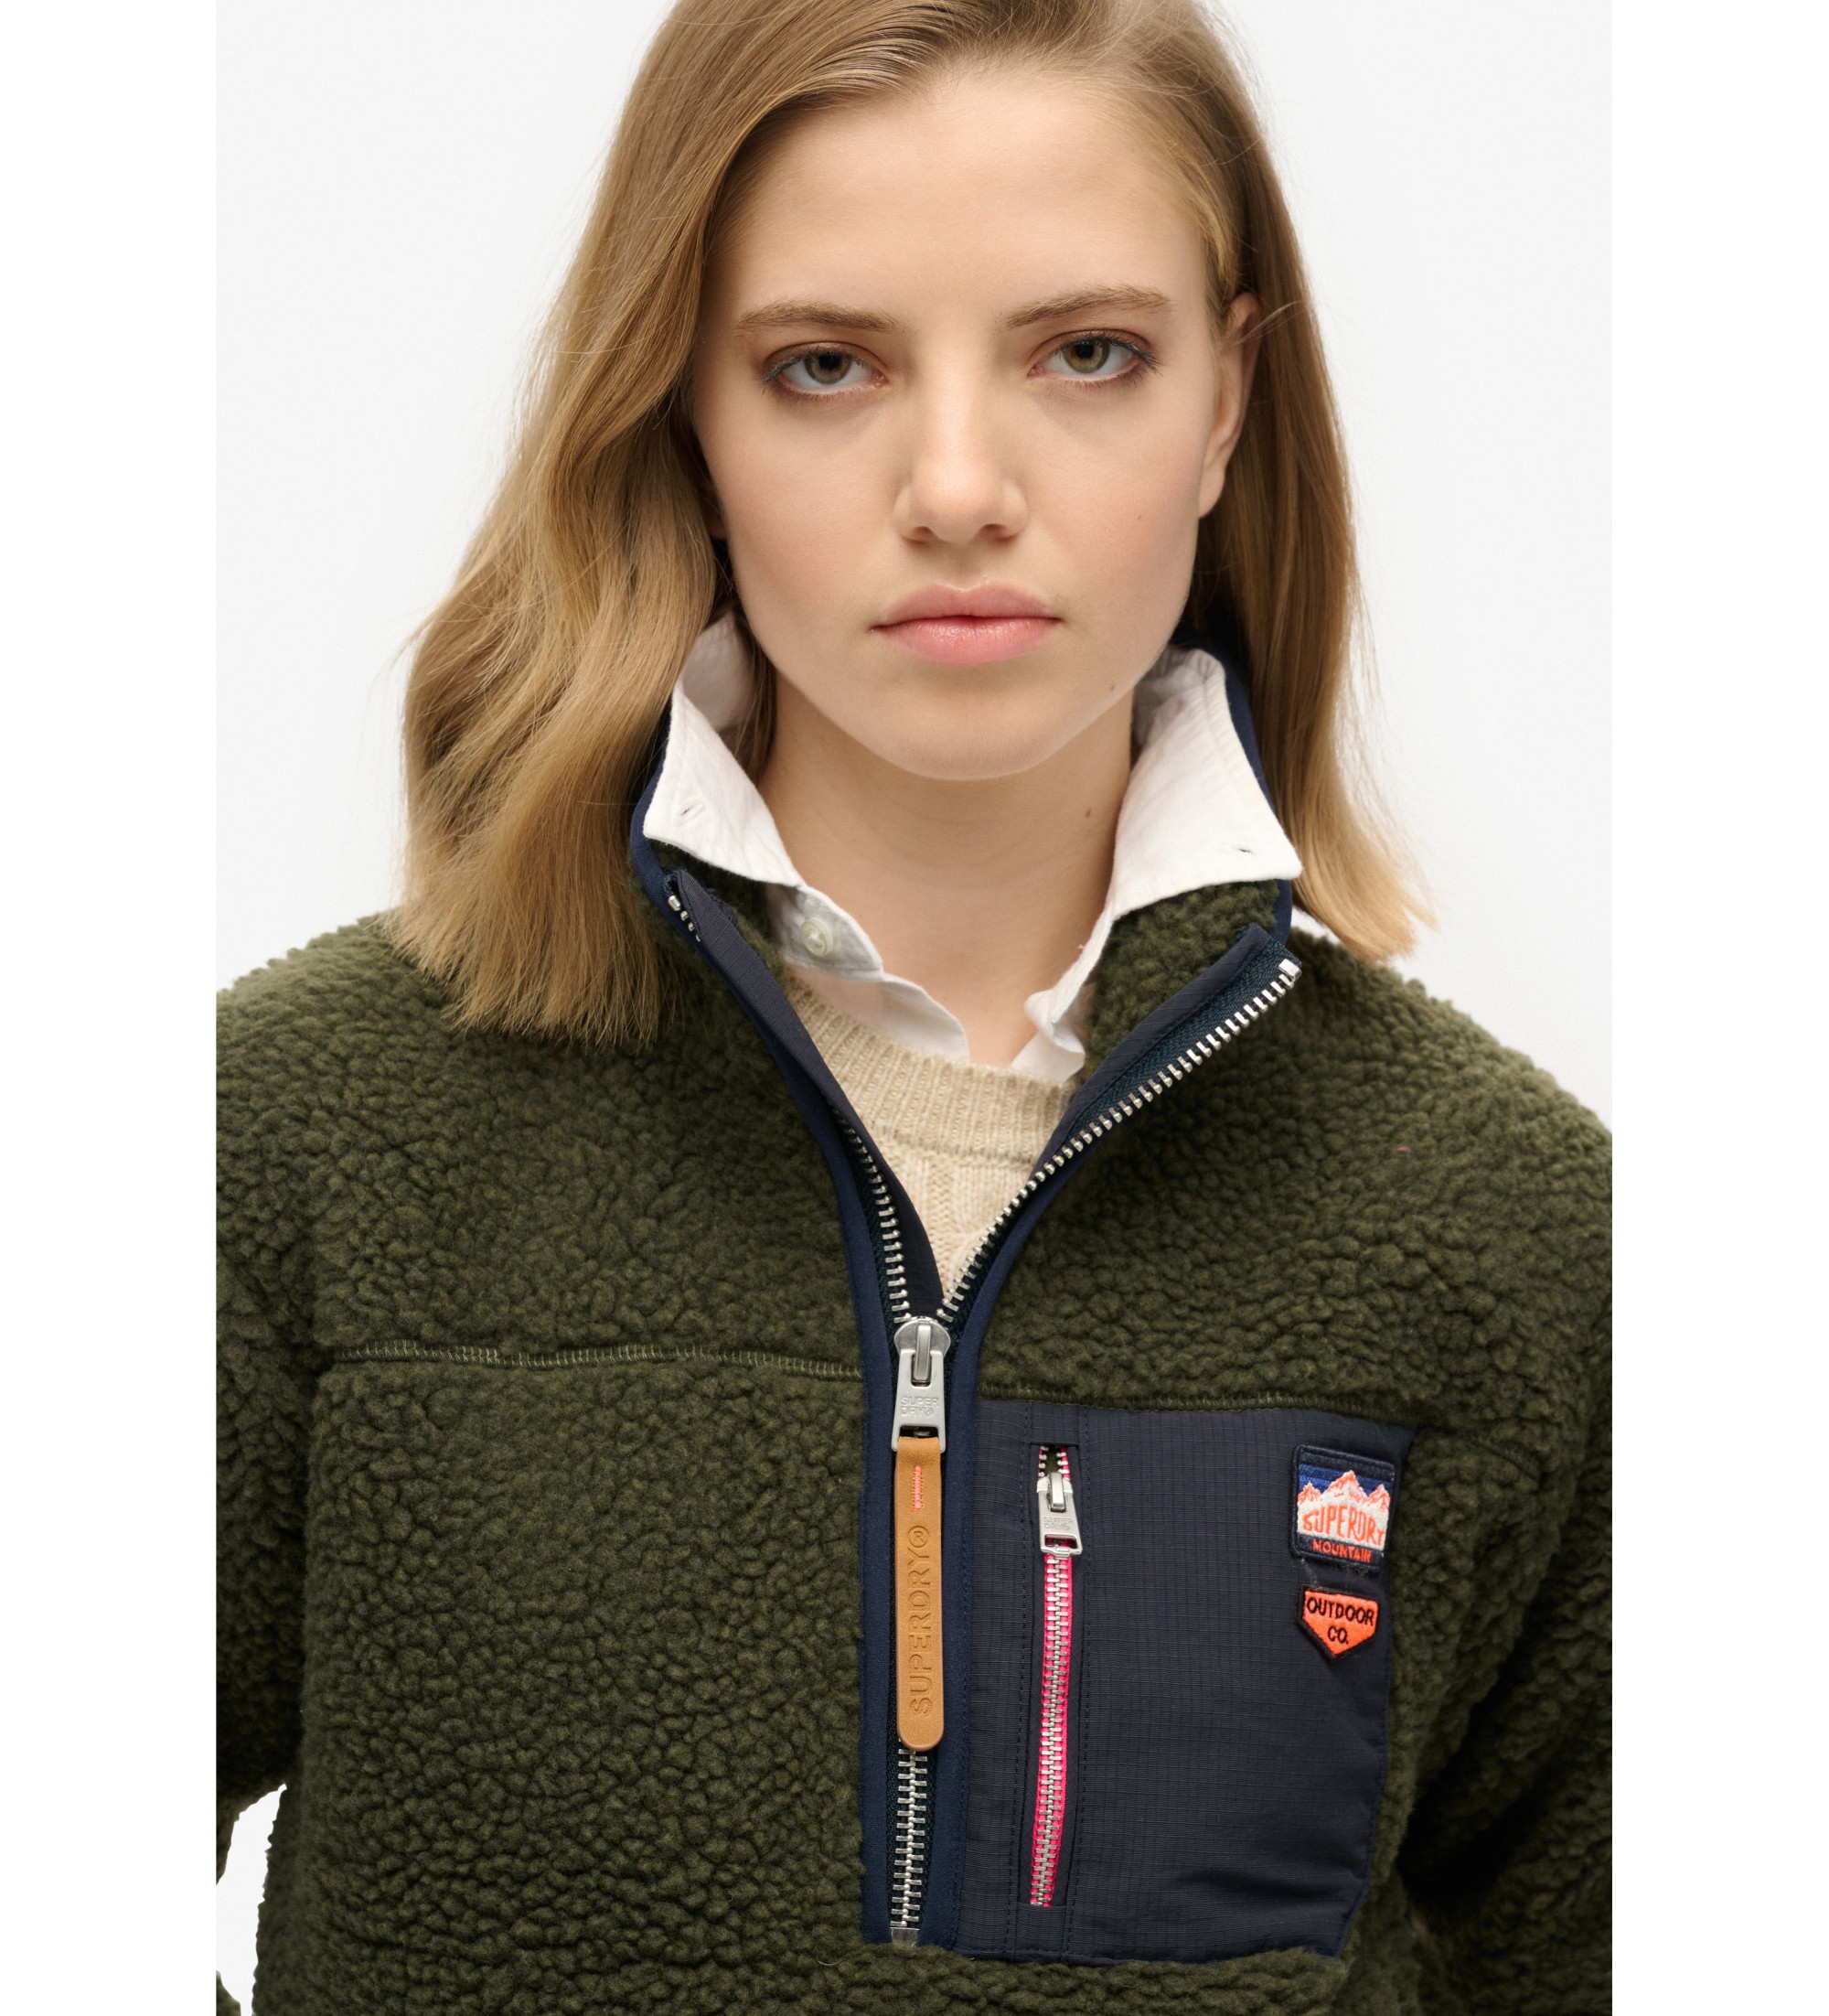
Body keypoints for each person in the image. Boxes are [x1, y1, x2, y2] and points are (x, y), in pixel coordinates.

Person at [217, 2, 1610, 2010]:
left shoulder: (1519, 1236)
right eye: (825, 365)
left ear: (1229, 400)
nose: (957, 488)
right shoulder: (287, 1140)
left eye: (1087, 353)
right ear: (680, 410)